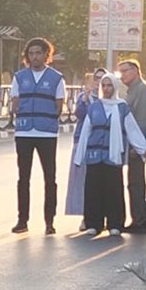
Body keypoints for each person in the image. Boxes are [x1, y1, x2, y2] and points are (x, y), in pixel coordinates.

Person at [74, 74, 146, 237]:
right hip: (94, 155)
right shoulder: (94, 107)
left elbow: (132, 130)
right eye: (104, 85)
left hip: (113, 155)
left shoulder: (122, 107)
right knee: (93, 189)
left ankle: (115, 223)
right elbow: (86, 132)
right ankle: (93, 223)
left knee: (113, 189)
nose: (106, 89)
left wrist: (144, 150)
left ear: (115, 87)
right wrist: (79, 156)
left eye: (110, 85)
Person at [10, 37, 65, 235]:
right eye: (31, 53)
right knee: (23, 178)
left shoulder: (56, 78)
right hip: (24, 131)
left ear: (46, 55)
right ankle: (22, 220)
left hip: (47, 132)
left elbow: (59, 106)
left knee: (50, 178)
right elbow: (14, 104)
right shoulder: (19, 77)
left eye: (38, 53)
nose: (35, 57)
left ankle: (49, 221)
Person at [117, 59, 146, 233]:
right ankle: (136, 218)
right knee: (132, 182)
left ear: (136, 71)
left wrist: (138, 146)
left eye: (125, 71)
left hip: (138, 145)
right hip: (130, 144)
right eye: (120, 72)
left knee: (137, 182)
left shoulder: (143, 90)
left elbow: (144, 120)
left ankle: (141, 220)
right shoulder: (131, 91)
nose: (122, 75)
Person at [65, 69, 104, 231]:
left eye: (103, 79)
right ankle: (85, 216)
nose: (99, 83)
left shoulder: (112, 100)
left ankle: (101, 216)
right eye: (97, 79)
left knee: (101, 182)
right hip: (83, 142)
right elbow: (79, 113)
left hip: (102, 145)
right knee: (81, 180)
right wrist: (86, 99)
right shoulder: (84, 97)